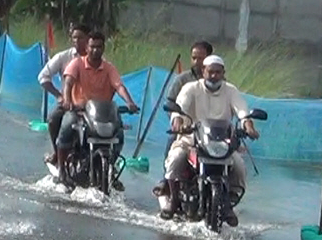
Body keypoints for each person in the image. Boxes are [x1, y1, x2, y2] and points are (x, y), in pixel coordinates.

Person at [161, 54, 258, 226]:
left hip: (222, 143)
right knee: (175, 159)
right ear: (203, 71)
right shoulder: (191, 88)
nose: (214, 75)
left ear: (223, 73)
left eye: (218, 72)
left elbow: (242, 111)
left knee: (239, 167)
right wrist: (178, 123)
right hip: (192, 139)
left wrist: (249, 127)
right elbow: (179, 108)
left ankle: (229, 202)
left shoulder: (231, 90)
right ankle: (174, 199)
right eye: (210, 72)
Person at [55, 31, 139, 188]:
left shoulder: (109, 68)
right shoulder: (77, 64)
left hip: (103, 113)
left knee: (119, 133)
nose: (95, 50)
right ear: (87, 47)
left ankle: (110, 167)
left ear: (103, 48)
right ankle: (61, 171)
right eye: (92, 47)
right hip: (80, 111)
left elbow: (119, 86)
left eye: (99, 47)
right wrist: (67, 101)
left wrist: (129, 102)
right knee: (67, 126)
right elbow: (68, 83)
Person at [154, 40, 214, 197]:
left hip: (209, 128)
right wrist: (176, 121)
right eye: (194, 58)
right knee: (173, 141)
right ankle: (166, 180)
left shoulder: (219, 82)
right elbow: (171, 102)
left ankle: (224, 189)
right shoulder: (183, 79)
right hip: (186, 126)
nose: (197, 62)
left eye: (201, 58)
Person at [38, 24, 91, 165]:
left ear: (88, 38)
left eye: (81, 37)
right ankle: (57, 153)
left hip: (90, 105)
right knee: (53, 120)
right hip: (69, 103)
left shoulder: (96, 58)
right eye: (74, 37)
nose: (77, 41)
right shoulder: (63, 57)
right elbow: (43, 77)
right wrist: (59, 96)